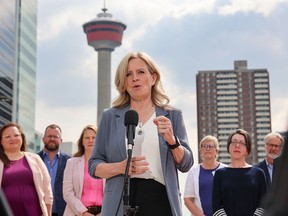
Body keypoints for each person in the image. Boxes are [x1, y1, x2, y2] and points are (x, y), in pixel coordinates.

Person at [88, 51, 193, 216]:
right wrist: (121, 167)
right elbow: (93, 166)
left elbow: (186, 164)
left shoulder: (172, 115)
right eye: (128, 74)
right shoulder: (109, 116)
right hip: (119, 203)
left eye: (141, 72)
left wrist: (173, 141)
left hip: (161, 202)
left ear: (153, 78)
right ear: (124, 82)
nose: (134, 78)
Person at [0, 122, 53, 216]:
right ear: (1, 141)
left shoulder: (35, 158)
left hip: (34, 212)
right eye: (8, 136)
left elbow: (47, 188)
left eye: (16, 135)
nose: (12, 138)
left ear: (22, 137)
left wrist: (48, 213)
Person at [213, 129, 267, 216]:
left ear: (247, 150)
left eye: (241, 143)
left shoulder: (258, 173)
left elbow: (264, 204)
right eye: (233, 142)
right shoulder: (220, 174)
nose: (237, 145)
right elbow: (216, 206)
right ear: (228, 147)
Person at [63, 125, 104, 216]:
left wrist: (103, 212)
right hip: (78, 213)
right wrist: (83, 212)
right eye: (87, 138)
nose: (90, 140)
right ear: (82, 141)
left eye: (94, 137)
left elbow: (113, 191)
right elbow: (67, 193)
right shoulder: (71, 163)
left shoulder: (107, 163)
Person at [184, 135, 227, 216]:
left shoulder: (227, 170)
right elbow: (187, 199)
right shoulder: (193, 172)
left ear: (216, 151)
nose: (208, 149)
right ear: (201, 151)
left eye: (211, 146)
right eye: (205, 146)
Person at [38, 124, 71, 216]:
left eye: (55, 136)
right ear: (43, 139)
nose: (52, 139)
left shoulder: (70, 161)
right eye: (49, 136)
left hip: (63, 211)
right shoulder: (34, 159)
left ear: (61, 141)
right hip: (39, 210)